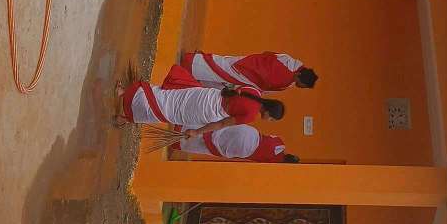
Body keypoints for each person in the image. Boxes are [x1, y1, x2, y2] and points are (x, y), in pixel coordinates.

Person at [115, 63, 285, 134]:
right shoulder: (251, 116)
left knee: (166, 96)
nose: (269, 120)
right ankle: (125, 118)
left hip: (207, 95)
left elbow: (230, 88)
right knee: (167, 112)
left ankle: (124, 92)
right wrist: (197, 132)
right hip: (205, 111)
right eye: (272, 119)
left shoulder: (254, 91)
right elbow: (222, 124)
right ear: (269, 113)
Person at [181, 51, 318, 93]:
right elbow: (268, 83)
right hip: (249, 74)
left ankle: (191, 68)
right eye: (302, 84)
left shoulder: (289, 60)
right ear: (299, 75)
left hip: (251, 65)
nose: (300, 87)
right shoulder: (287, 78)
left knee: (221, 69)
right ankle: (190, 63)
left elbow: (269, 54)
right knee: (220, 69)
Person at [173, 123, 299, 163]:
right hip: (246, 148)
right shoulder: (277, 164)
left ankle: (181, 126)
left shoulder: (280, 143)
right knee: (208, 146)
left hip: (250, 132)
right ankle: (177, 141)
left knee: (215, 128)